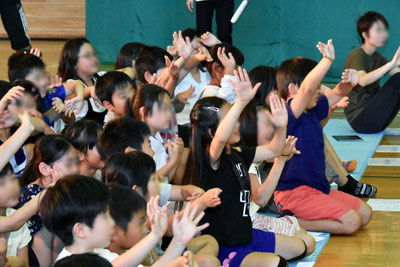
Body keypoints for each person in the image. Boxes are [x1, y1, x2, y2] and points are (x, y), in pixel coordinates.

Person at [344, 11, 400, 133]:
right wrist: (390, 64)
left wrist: (393, 65)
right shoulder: (357, 55)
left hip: (377, 119)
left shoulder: (377, 57)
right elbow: (363, 80)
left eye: (385, 30)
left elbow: (396, 72)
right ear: (365, 34)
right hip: (360, 119)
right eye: (378, 30)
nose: (384, 34)